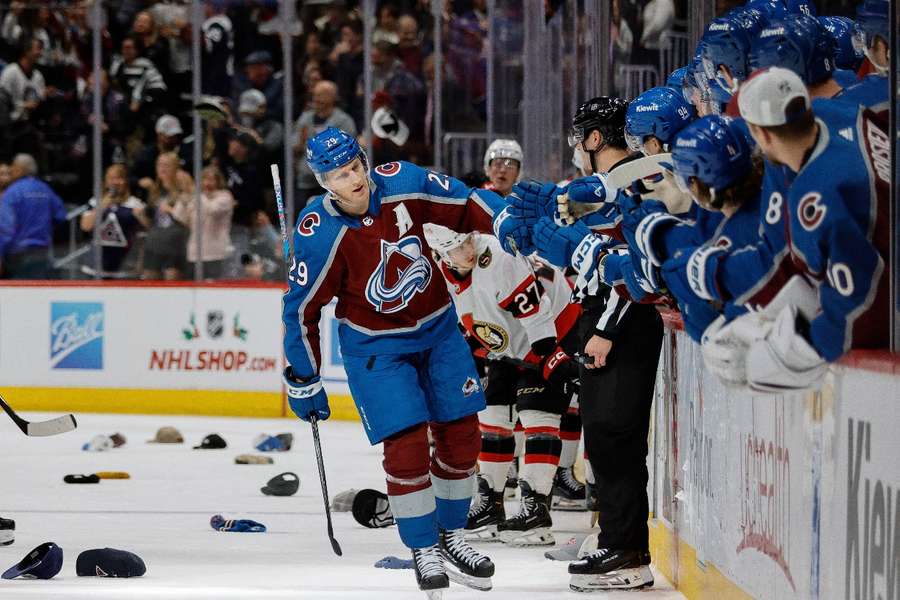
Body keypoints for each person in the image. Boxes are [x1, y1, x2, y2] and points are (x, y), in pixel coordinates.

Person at [281, 127, 507, 596]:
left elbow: (466, 203)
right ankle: (422, 546)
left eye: (356, 167)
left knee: (463, 437)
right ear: (326, 183)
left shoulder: (401, 181)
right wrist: (303, 377)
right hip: (377, 348)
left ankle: (452, 535)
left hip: (439, 329)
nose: (354, 179)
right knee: (405, 445)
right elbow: (301, 308)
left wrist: (509, 222)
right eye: (341, 175)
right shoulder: (318, 233)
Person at [423, 224, 581, 546]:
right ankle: (489, 504)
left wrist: (551, 357)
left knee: (538, 415)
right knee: (493, 416)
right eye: (456, 248)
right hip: (507, 344)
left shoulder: (497, 258)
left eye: (468, 240)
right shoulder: (441, 270)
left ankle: (535, 507)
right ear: (441, 254)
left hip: (554, 330)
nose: (467, 250)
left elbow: (537, 315)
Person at [0, 153, 66, 279]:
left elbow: (5, 228)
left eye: (13, 167)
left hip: (18, 253)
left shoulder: (13, 192)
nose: (11, 171)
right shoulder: (45, 189)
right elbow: (60, 215)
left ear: (19, 169)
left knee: (19, 295)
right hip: (42, 250)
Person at [80, 164, 150, 277]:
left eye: (119, 178)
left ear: (125, 181)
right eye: (111, 178)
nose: (115, 182)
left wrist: (141, 217)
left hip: (125, 269)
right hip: (95, 268)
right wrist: (102, 206)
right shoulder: (95, 202)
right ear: (106, 181)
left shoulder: (136, 204)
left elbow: (149, 230)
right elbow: (85, 226)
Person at [293, 80, 357, 206]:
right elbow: (293, 147)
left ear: (333, 97)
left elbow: (349, 151)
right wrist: (300, 142)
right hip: (306, 180)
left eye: (321, 95)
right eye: (315, 95)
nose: (316, 99)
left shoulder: (344, 121)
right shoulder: (305, 119)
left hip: (334, 181)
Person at [172, 165, 235, 280]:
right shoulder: (198, 197)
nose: (207, 183)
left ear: (218, 181)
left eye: (211, 179)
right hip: (194, 253)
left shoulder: (225, 197)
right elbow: (179, 217)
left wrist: (196, 195)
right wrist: (183, 200)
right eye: (205, 179)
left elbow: (212, 209)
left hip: (215, 253)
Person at [140, 152, 193, 280]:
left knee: (173, 284)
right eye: (159, 164)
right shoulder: (155, 191)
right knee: (149, 284)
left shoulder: (184, 191)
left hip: (176, 246)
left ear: (176, 168)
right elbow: (149, 221)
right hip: (154, 243)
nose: (162, 168)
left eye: (167, 165)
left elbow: (190, 220)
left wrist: (170, 209)